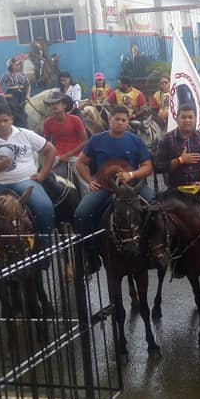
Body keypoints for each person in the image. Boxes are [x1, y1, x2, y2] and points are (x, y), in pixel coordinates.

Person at [0, 105, 57, 261]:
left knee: (44, 207)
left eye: (6, 120)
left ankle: (45, 249)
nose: (2, 124)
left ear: (11, 119)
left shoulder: (26, 134)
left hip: (24, 181)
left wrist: (42, 174)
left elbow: (50, 150)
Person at [74, 105, 155, 274]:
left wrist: (132, 175)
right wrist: (89, 181)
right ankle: (92, 255)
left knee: (155, 207)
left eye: (123, 120)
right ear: (110, 120)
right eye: (116, 119)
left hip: (132, 189)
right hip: (104, 187)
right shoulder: (96, 139)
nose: (119, 122)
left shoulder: (135, 140)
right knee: (81, 214)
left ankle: (153, 250)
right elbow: (81, 162)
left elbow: (147, 166)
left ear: (128, 122)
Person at [42, 91, 88, 194]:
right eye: (52, 104)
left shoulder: (75, 120)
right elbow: (47, 143)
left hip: (75, 156)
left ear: (64, 105)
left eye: (57, 103)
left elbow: (85, 141)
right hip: (56, 156)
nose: (54, 106)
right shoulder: (47, 123)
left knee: (84, 183)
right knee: (42, 176)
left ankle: (87, 203)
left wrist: (68, 154)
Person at [0, 58, 31, 128]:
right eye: (17, 64)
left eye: (19, 64)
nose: (19, 66)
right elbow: (0, 88)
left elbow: (28, 85)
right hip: (11, 102)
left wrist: (28, 95)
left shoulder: (22, 75)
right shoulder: (6, 76)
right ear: (12, 66)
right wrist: (9, 93)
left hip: (22, 100)